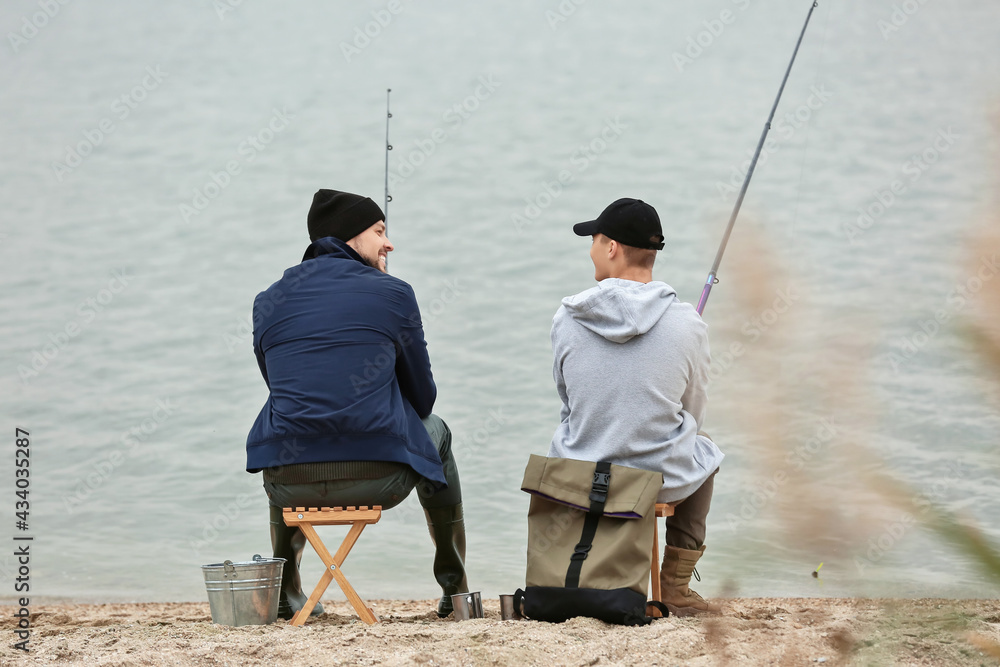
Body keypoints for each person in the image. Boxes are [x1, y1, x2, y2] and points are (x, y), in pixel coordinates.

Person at [245, 189, 468, 619]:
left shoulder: (266, 301)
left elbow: (280, 386)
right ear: (351, 237)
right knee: (437, 430)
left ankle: (288, 593)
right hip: (378, 478)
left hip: (289, 485)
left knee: (287, 429)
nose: (389, 244)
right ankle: (455, 590)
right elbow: (423, 398)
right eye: (380, 232)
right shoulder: (394, 292)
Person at [548, 197, 724, 616]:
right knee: (708, 448)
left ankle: (581, 570)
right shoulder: (688, 323)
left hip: (584, 474)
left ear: (611, 247)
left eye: (593, 239)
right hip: (658, 479)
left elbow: (568, 400)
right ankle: (676, 589)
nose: (590, 247)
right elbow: (695, 410)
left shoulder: (567, 318)